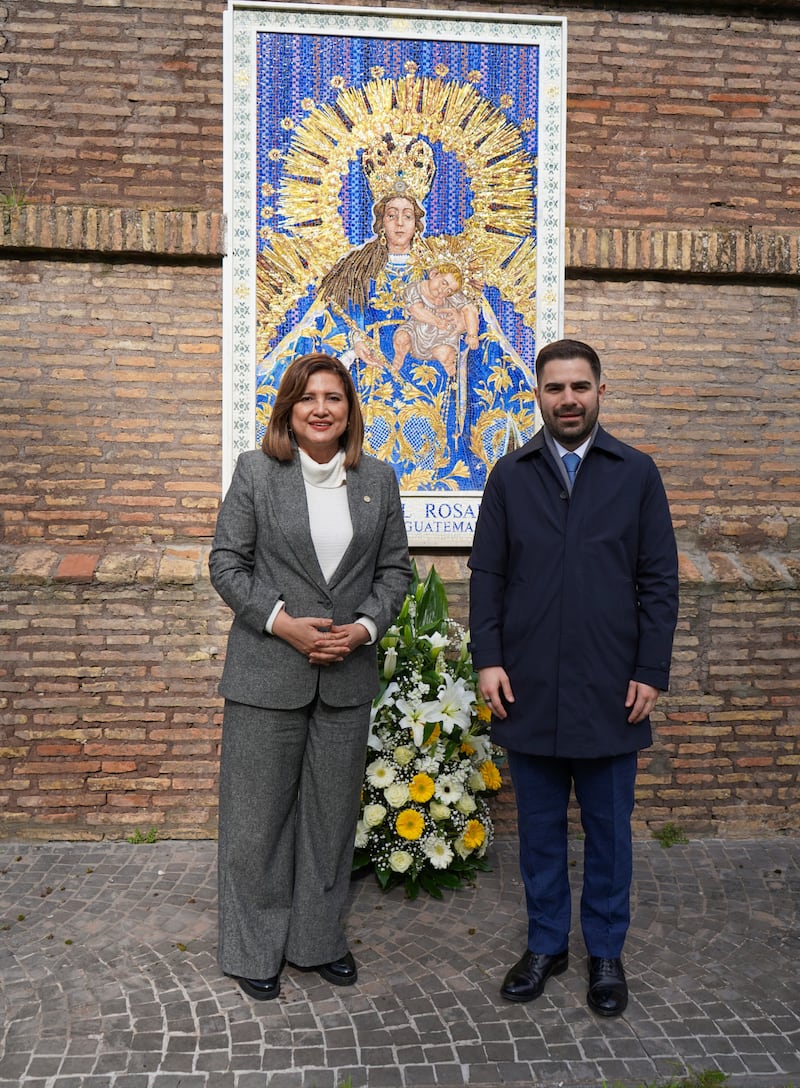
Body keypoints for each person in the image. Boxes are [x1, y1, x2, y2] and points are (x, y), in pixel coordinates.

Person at [468, 338, 679, 1018]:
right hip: (527, 688)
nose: (568, 399)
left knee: (610, 834)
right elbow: (488, 578)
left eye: (579, 387)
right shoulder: (509, 477)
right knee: (538, 832)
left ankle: (607, 955)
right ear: (538, 394)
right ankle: (546, 944)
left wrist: (651, 670)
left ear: (599, 392)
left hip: (611, 691)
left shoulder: (636, 474)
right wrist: (488, 660)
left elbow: (659, 582)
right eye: (555, 388)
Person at [209, 351, 412, 1001]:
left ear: (349, 411)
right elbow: (225, 563)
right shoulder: (256, 474)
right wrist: (280, 622)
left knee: (329, 823)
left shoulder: (378, 479)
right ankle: (252, 949)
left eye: (334, 398)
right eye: (308, 398)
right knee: (256, 822)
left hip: (345, 678)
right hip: (269, 672)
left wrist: (364, 629)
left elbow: (395, 573)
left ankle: (316, 941)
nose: (321, 408)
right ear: (288, 411)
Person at [255, 133, 538, 491]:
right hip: (375, 365)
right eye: (392, 215)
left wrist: (457, 323)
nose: (400, 224)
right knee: (372, 425)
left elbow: (464, 308)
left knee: (429, 417)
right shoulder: (357, 267)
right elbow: (339, 316)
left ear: (417, 221)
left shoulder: (437, 266)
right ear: (381, 221)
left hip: (430, 361)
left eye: (407, 216)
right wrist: (356, 340)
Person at [392, 263, 480, 375]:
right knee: (401, 338)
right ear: (434, 274)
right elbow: (416, 310)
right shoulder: (415, 288)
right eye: (444, 283)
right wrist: (437, 321)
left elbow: (469, 309)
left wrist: (472, 334)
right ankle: (399, 356)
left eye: (449, 290)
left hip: (442, 337)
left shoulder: (452, 296)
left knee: (445, 355)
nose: (444, 291)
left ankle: (451, 373)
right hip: (416, 332)